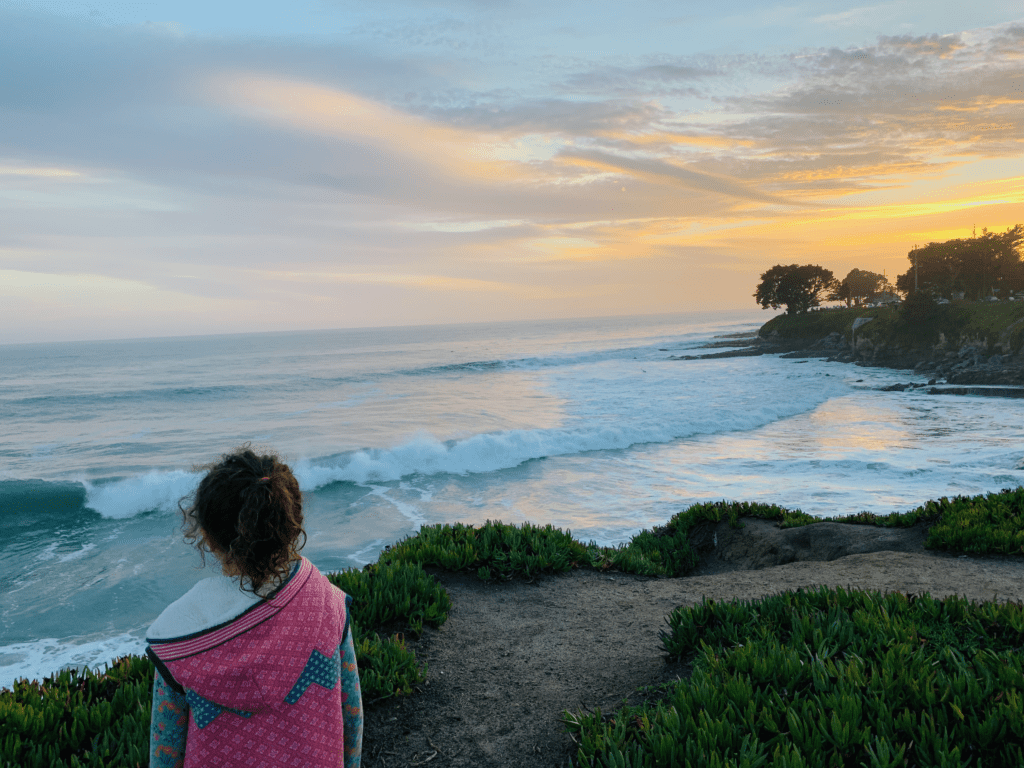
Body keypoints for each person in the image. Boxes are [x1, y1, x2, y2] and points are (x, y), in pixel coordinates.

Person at [145, 448, 362, 768]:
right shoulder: (326, 604)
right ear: (292, 524)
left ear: (208, 537)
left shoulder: (181, 636)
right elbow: (351, 717)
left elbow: (166, 751)